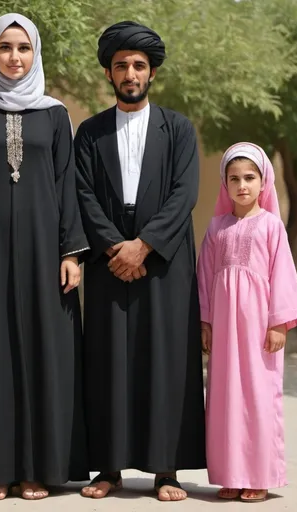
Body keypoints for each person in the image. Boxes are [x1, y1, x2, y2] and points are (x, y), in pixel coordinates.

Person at [0, 13, 89, 501]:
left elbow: (67, 184)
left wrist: (72, 251)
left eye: (23, 48)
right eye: (4, 47)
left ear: (35, 55)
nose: (14, 56)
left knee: (43, 354)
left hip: (45, 253)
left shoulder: (55, 115)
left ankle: (38, 468)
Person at [74, 21, 206, 502]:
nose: (130, 72)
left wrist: (144, 245)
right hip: (109, 260)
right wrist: (115, 247)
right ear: (109, 73)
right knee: (107, 360)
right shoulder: (89, 133)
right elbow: (82, 195)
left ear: (151, 72)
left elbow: (184, 193)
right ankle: (108, 468)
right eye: (121, 65)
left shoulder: (179, 129)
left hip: (164, 258)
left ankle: (165, 469)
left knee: (164, 360)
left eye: (138, 65)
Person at [197, 142, 297, 502]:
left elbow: (283, 276)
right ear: (224, 184)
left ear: (264, 182)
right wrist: (206, 322)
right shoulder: (216, 227)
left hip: (260, 329)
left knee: (258, 397)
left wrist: (279, 323)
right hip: (225, 329)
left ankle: (259, 475)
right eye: (234, 178)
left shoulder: (272, 226)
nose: (242, 185)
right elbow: (205, 277)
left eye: (249, 177)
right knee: (224, 398)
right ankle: (231, 474)